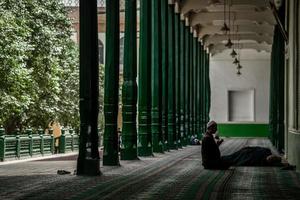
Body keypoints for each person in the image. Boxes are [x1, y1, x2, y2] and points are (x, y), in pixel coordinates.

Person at [201, 121, 291, 169]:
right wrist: (218, 144)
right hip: (212, 163)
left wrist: (217, 144)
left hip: (214, 161)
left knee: (242, 153)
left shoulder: (208, 137)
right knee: (237, 156)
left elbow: (211, 151)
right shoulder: (207, 138)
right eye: (215, 128)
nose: (216, 130)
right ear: (211, 128)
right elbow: (210, 154)